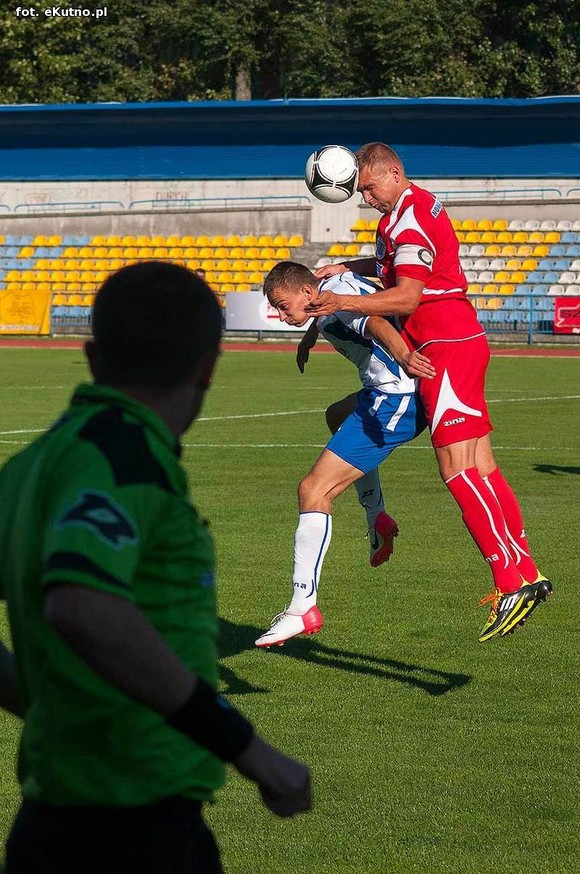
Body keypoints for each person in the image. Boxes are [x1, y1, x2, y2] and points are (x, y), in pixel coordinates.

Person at [0, 261, 310, 874]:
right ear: (208, 366)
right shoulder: (126, 459)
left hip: (44, 828)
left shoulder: (28, 467)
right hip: (136, 828)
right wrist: (248, 751)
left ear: (91, 357)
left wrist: (40, 701)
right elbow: (82, 607)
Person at [307, 141, 553, 642]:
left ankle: (508, 580)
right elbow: (399, 267)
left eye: (371, 188)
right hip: (457, 341)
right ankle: (526, 571)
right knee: (482, 465)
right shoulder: (406, 209)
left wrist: (340, 300)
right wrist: (350, 268)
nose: (367, 197)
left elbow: (409, 294)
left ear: (393, 172)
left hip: (445, 346)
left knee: (457, 468)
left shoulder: (408, 217)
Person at [255, 261, 435, 648]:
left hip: (395, 401)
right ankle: (377, 518)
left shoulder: (336, 304)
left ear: (306, 293)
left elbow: (373, 322)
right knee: (336, 415)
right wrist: (307, 339)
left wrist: (404, 355)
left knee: (312, 491)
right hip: (383, 395)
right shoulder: (329, 289)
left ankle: (302, 606)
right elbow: (342, 306)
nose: (283, 315)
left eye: (284, 306)